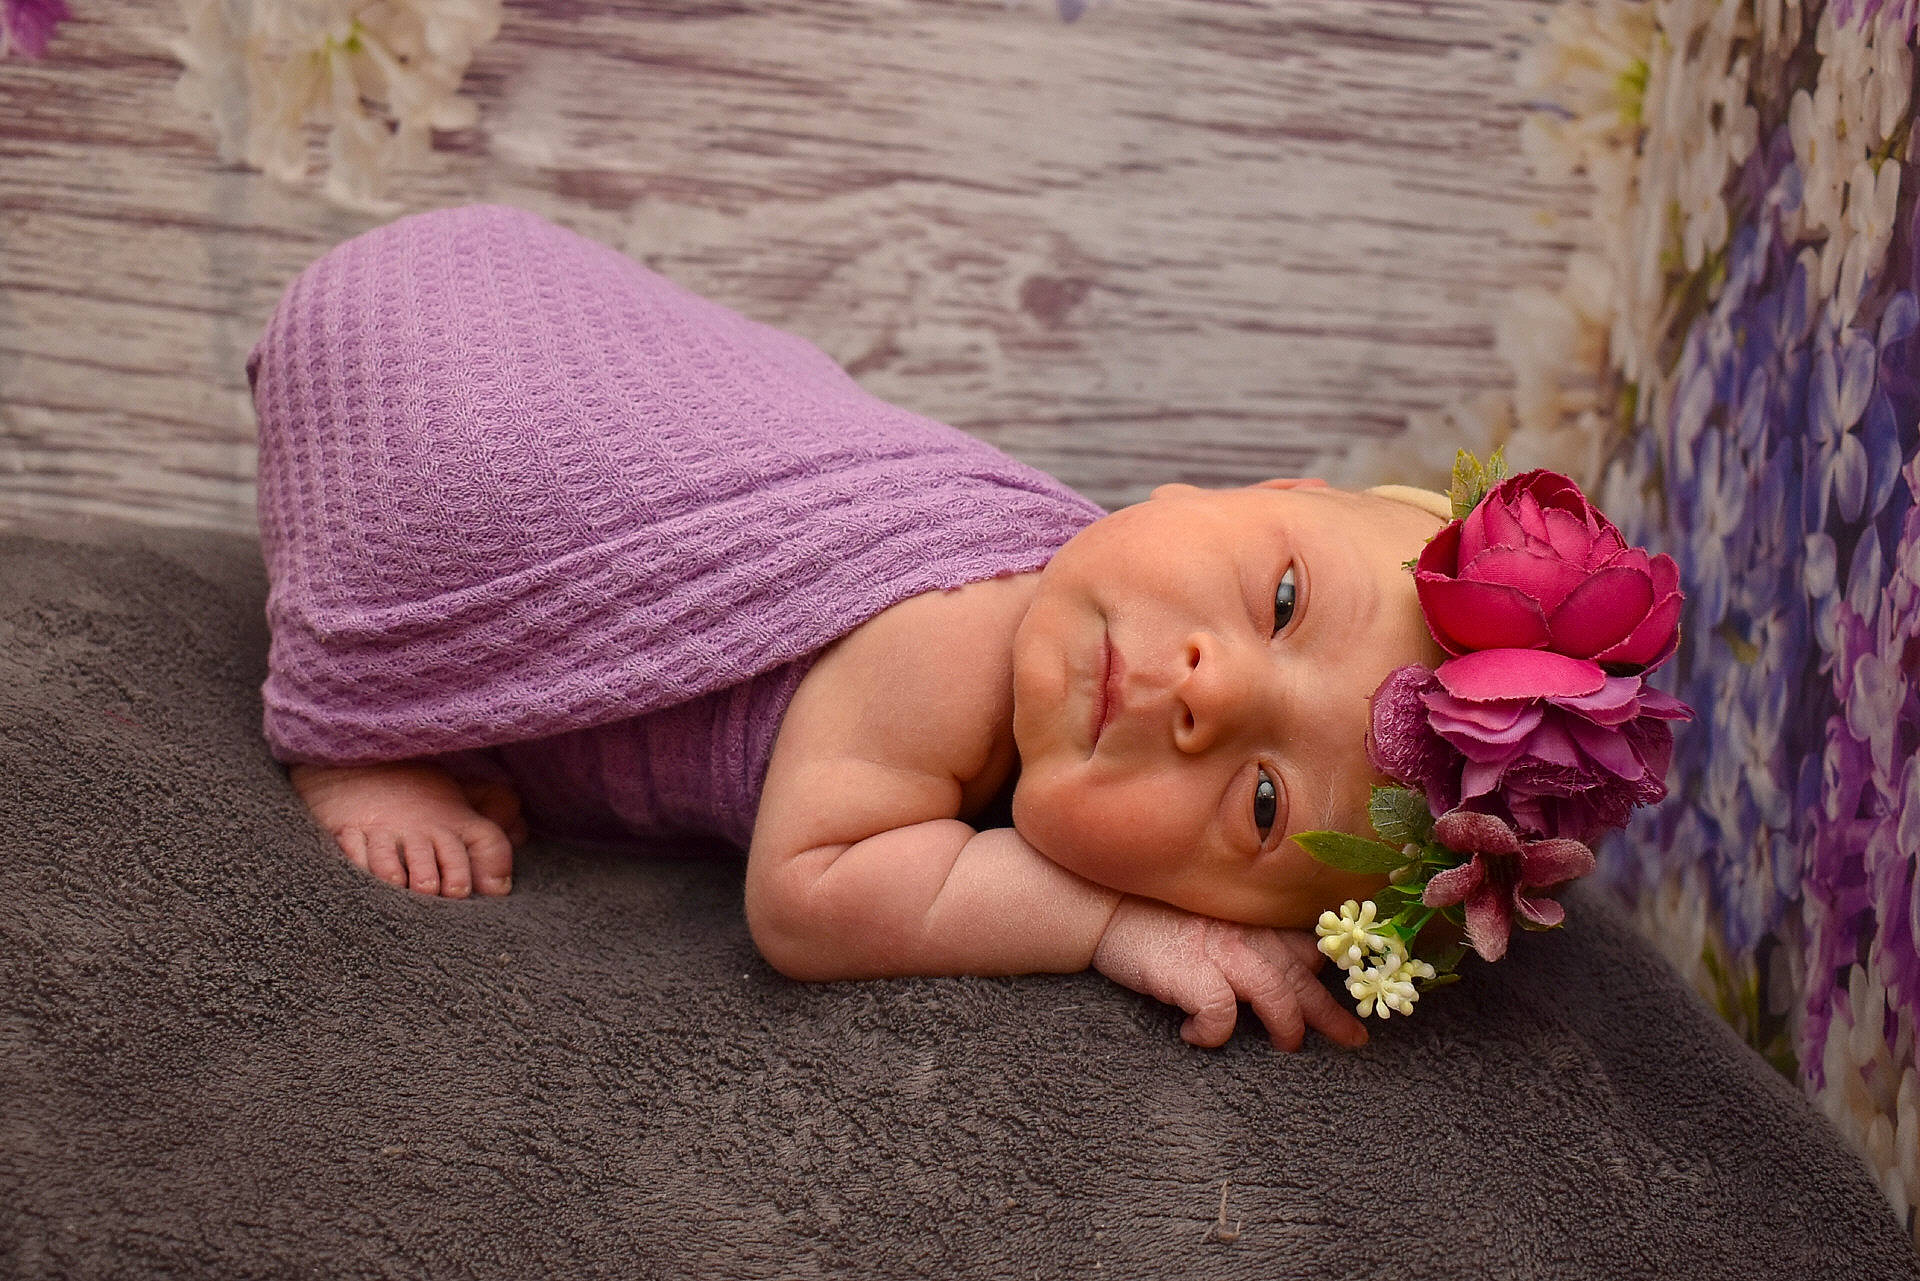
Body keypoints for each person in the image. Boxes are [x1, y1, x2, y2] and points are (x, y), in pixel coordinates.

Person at [258, 204, 1456, 1054]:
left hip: (490, 254)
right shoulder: (946, 638)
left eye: (1262, 804)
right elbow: (811, 898)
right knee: (473, 476)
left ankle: (474, 727)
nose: (1212, 689)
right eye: (1284, 603)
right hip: (443, 365)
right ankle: (363, 721)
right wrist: (1108, 921)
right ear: (1254, 493)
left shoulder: (1068, 607)